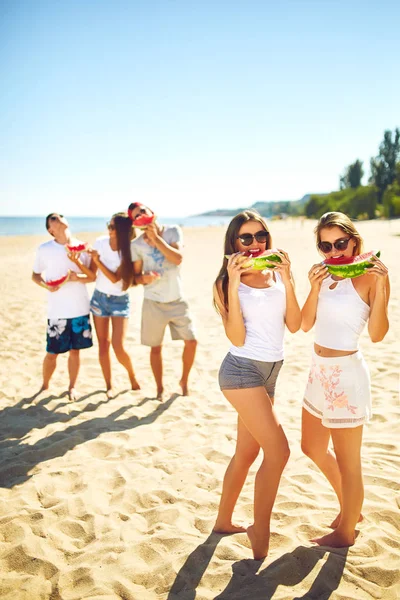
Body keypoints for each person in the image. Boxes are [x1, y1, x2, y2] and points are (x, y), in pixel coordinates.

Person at [212, 210, 301, 560]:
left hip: (271, 372)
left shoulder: (275, 275)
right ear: (234, 243)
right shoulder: (225, 283)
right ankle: (259, 529)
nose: (255, 244)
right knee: (279, 451)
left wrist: (289, 279)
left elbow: (294, 325)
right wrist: (234, 284)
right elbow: (236, 336)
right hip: (241, 372)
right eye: (245, 238)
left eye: (260, 235)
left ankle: (222, 521)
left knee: (247, 453)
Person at [301, 211, 390, 548]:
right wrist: (312, 286)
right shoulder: (323, 276)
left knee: (350, 462)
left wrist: (382, 287)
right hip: (317, 371)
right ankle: (353, 510)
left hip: (347, 375)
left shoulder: (371, 276)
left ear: (354, 240)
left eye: (341, 243)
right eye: (326, 246)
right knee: (311, 446)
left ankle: (346, 530)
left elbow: (378, 334)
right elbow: (306, 324)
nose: (335, 252)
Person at [128, 202, 197, 399]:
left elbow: (178, 258)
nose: (141, 215)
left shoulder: (173, 231)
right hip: (153, 302)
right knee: (156, 348)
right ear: (135, 224)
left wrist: (157, 239)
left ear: (152, 213)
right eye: (136, 215)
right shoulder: (136, 245)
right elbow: (136, 277)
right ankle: (159, 389)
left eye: (143, 211)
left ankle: (184, 380)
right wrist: (145, 278)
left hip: (177, 299)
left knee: (192, 341)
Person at [32, 213, 94, 400]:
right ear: (50, 230)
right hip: (57, 309)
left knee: (75, 352)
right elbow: (35, 275)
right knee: (52, 353)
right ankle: (45, 385)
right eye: (53, 218)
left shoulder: (83, 247)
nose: (59, 218)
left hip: (80, 308)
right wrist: (47, 286)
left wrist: (76, 276)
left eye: (60, 216)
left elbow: (91, 276)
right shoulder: (44, 249)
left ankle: (72, 387)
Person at [87, 212, 140, 398]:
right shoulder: (100, 242)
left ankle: (132, 376)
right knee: (103, 345)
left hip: (120, 300)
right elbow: (93, 275)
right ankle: (109, 385)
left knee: (118, 346)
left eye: (112, 227)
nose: (108, 230)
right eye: (108, 226)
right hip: (99, 298)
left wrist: (97, 260)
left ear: (121, 231)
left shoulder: (129, 250)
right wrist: (79, 261)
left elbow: (115, 278)